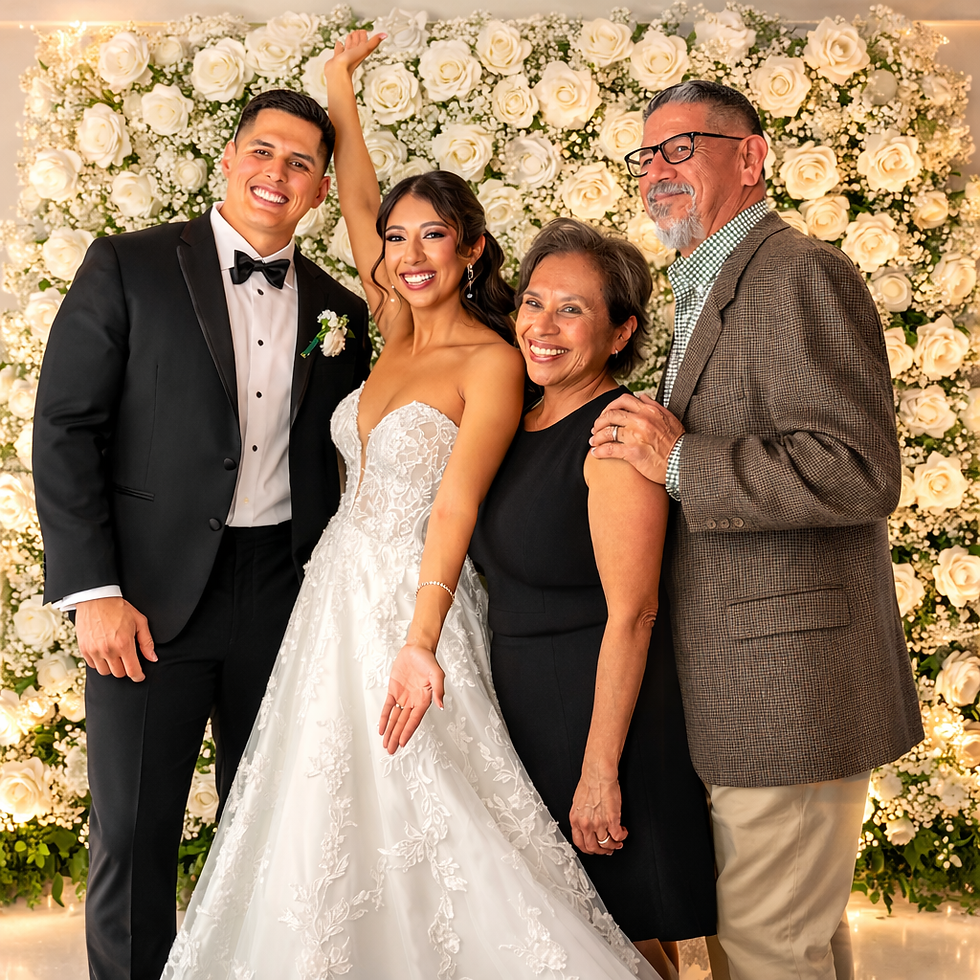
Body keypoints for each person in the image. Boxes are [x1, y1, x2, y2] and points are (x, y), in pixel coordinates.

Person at [160, 33, 664, 980]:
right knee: (318, 810)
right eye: (397, 239)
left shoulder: (493, 359)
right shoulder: (387, 322)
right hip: (333, 594)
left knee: (434, 805)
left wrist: (421, 640)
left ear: (472, 249)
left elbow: (456, 510)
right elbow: (358, 197)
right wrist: (339, 90)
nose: (407, 252)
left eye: (435, 235)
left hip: (414, 597)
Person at [32, 90, 372, 980]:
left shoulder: (342, 311)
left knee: (268, 829)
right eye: (264, 152)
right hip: (144, 597)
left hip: (285, 593)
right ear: (229, 158)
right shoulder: (129, 265)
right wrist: (94, 593)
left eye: (300, 164)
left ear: (321, 191)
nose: (277, 174)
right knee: (136, 831)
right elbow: (65, 426)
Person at [590, 79, 924, 980]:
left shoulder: (798, 272)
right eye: (647, 154)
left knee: (769, 953)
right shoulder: (701, 286)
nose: (659, 170)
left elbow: (860, 470)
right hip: (740, 685)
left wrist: (679, 462)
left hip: (793, 689)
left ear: (752, 157)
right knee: (794, 945)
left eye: (683, 147)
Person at [469, 218, 716, 980]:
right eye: (533, 302)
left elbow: (634, 613)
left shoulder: (616, 435)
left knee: (626, 954)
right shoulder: (517, 417)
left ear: (620, 332)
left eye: (572, 310)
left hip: (602, 726)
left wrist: (600, 770)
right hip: (528, 721)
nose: (542, 326)